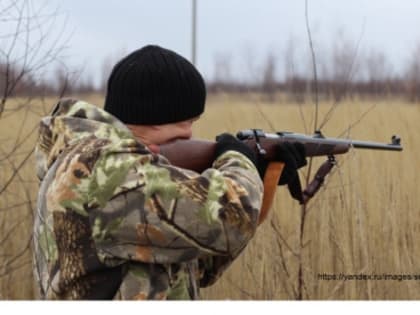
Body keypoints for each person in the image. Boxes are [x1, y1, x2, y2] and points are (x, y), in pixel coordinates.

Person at [33, 45, 305, 300]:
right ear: (158, 114)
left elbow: (198, 260)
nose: (191, 134)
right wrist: (237, 161)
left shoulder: (100, 163)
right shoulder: (106, 172)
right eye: (188, 121)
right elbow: (230, 220)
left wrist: (260, 177)